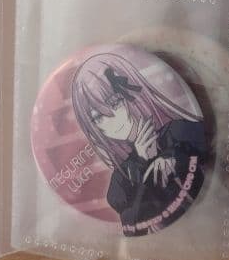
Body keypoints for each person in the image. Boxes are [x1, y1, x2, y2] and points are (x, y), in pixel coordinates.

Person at [72, 52, 206, 236]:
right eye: (98, 117)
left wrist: (173, 160)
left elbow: (205, 159)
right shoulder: (120, 181)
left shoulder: (179, 132)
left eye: (115, 103)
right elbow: (134, 228)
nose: (112, 120)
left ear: (132, 95)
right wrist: (143, 164)